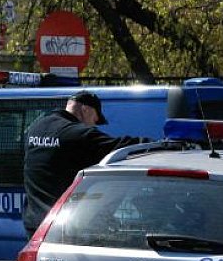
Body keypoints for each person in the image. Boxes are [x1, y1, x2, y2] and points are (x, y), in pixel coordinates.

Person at [23, 91, 144, 238]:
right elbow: (119, 146)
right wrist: (160, 144)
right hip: (60, 226)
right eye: (95, 119)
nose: (94, 125)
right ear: (85, 110)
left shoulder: (37, 127)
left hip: (34, 224)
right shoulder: (76, 134)